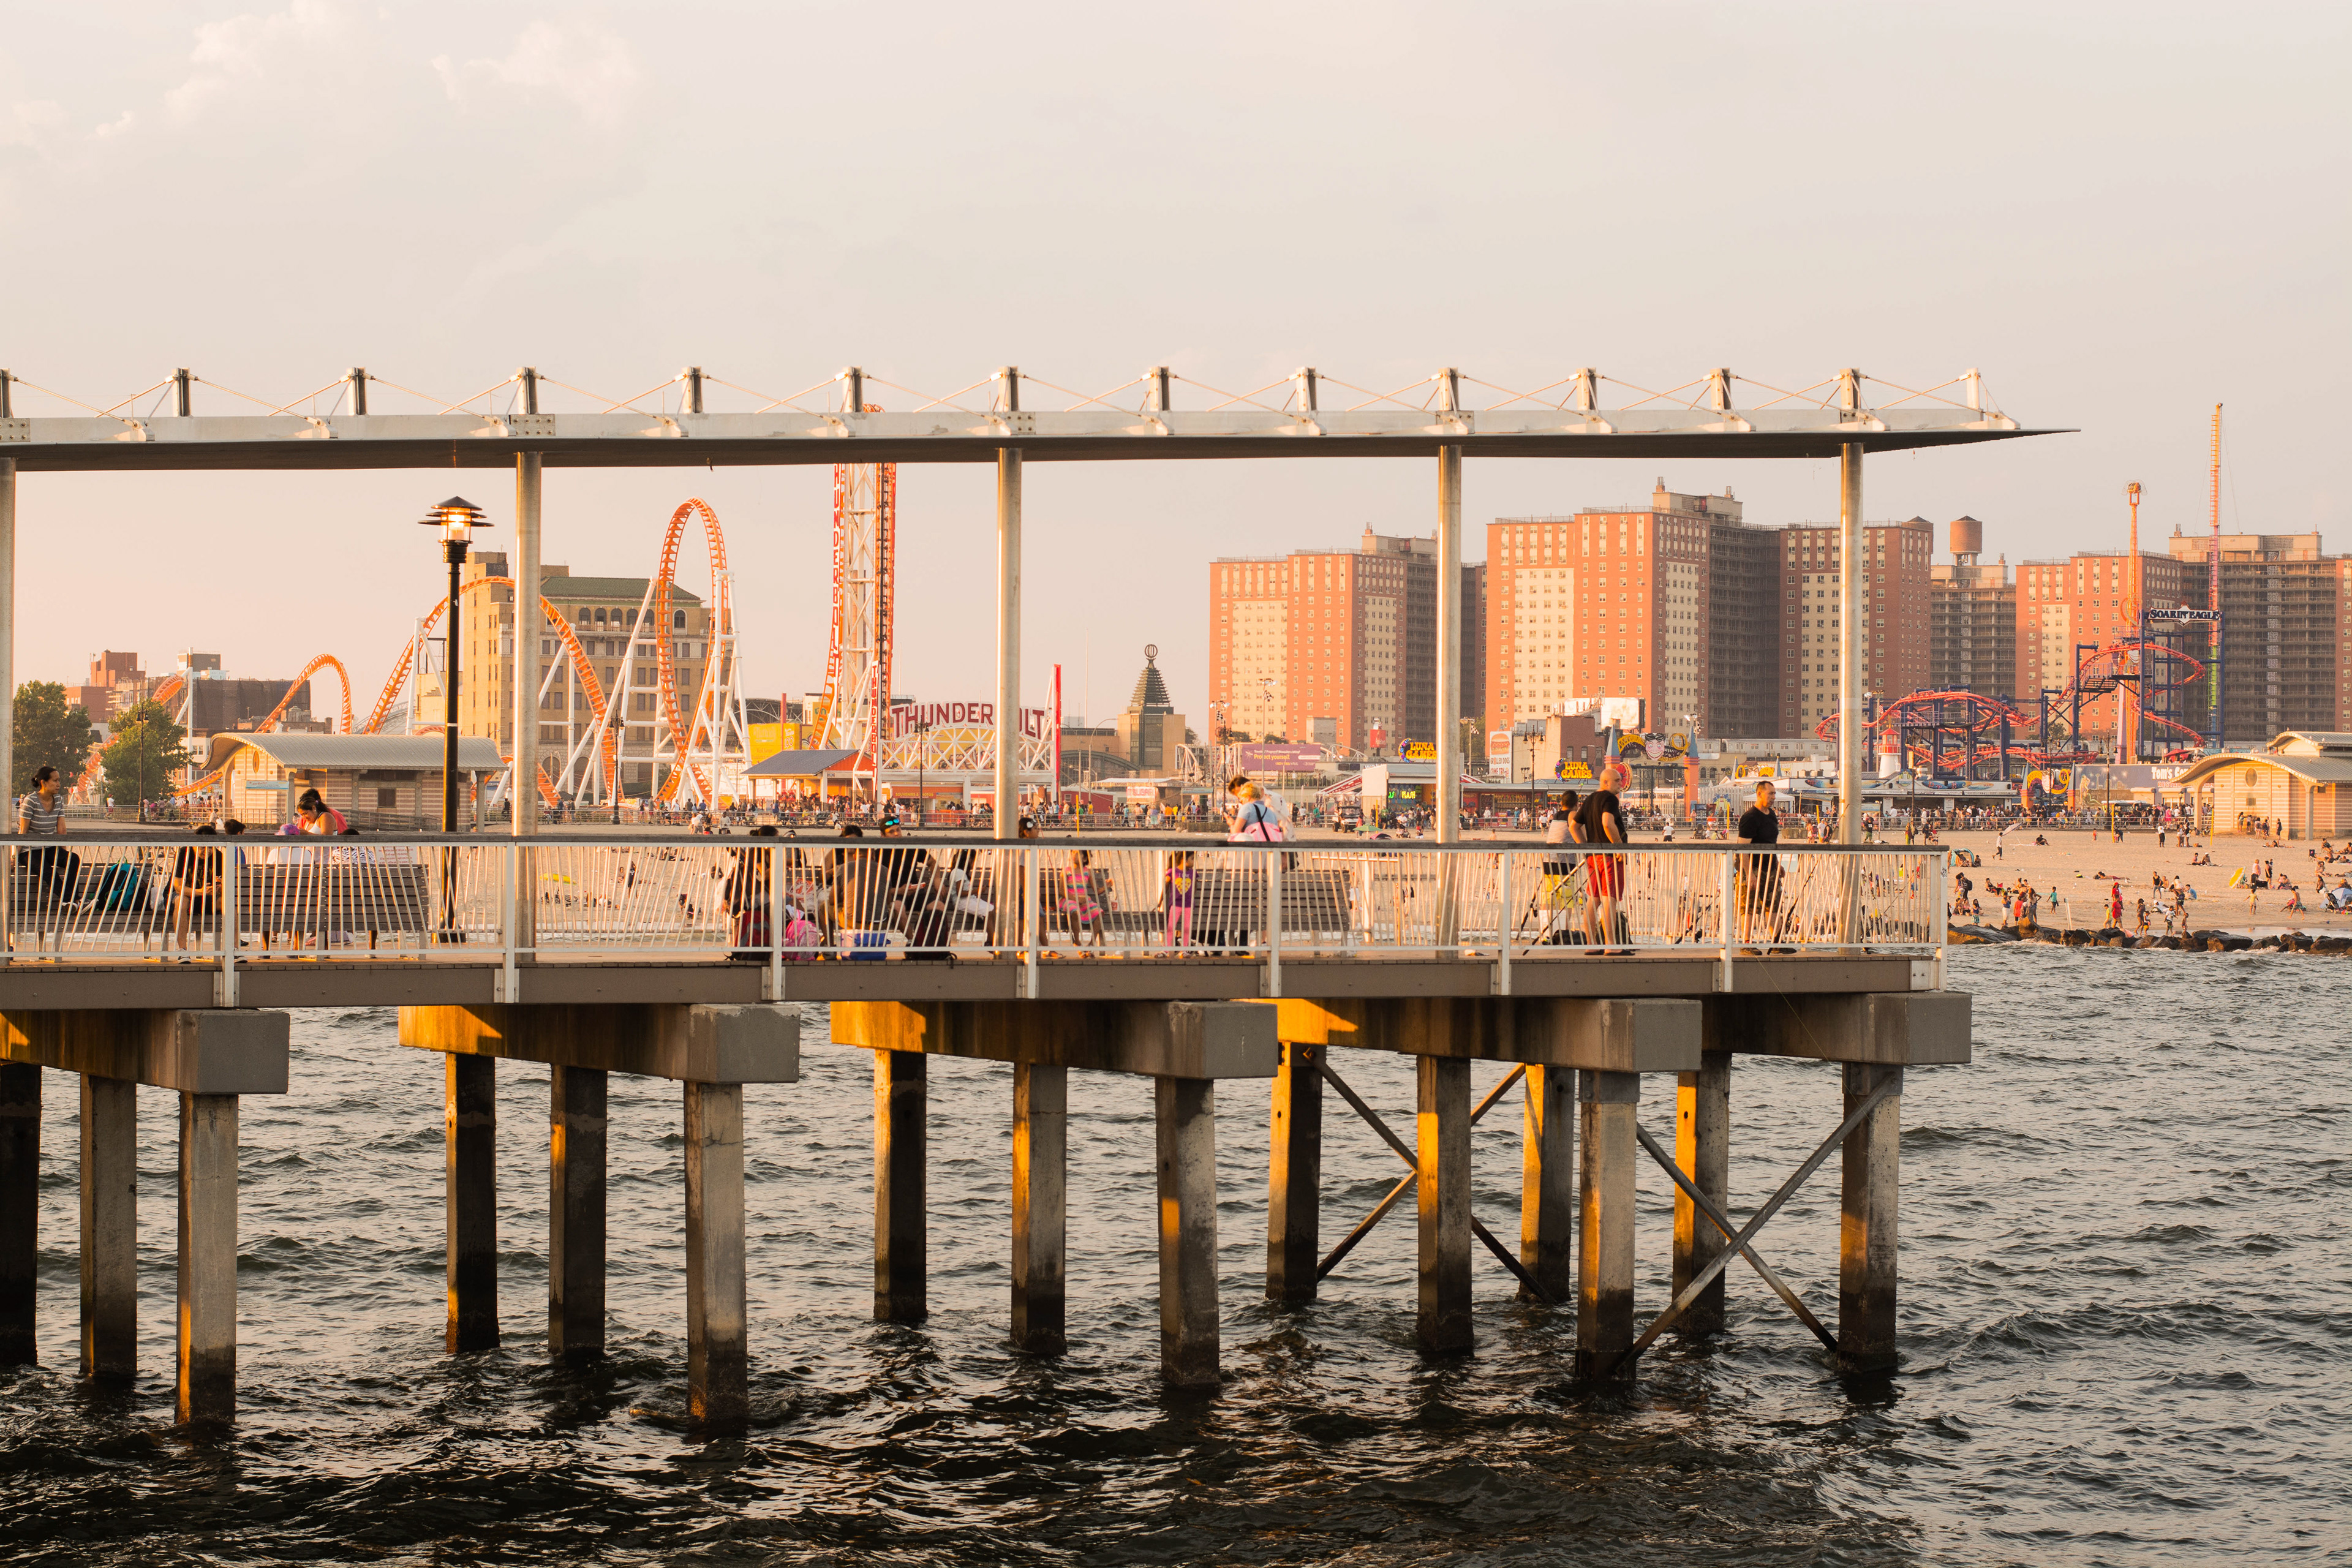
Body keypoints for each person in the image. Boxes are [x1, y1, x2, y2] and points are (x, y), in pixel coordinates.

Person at [16, 764, 77, 950]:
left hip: (49, 847)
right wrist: (14, 857)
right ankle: (72, 900)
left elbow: (62, 830)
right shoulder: (30, 801)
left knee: (73, 859)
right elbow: (23, 831)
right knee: (46, 870)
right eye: (56, 780)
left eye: (59, 780)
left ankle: (69, 901)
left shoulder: (58, 800)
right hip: (30, 850)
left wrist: (63, 855)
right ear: (44, 783)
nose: (59, 784)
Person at [1575, 763, 1630, 951]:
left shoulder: (1590, 799)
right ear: (1605, 782)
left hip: (1593, 857)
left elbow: (1574, 825)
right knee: (1609, 899)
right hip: (1608, 857)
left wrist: (1585, 847)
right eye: (1616, 781)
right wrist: (1619, 848)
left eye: (1621, 780)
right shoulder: (1610, 799)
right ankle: (1611, 945)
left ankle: (1591, 944)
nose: (1620, 784)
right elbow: (1607, 822)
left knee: (1594, 899)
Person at [1734, 779, 1783, 948]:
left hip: (1771, 867)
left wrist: (1778, 865)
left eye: (1774, 794)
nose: (1773, 797)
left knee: (1774, 906)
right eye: (1770, 794)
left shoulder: (1772, 815)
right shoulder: (1750, 817)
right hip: (1753, 868)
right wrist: (1749, 874)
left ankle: (1777, 943)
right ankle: (1747, 944)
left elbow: (1771, 842)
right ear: (1759, 794)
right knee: (1748, 907)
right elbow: (1743, 848)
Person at [168, 822, 224, 959]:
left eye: (210, 848)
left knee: (227, 902)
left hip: (206, 899)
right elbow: (178, 887)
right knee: (182, 900)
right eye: (203, 848)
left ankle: (234, 949)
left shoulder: (218, 856)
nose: (207, 852)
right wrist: (201, 891)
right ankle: (183, 950)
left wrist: (220, 889)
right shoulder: (184, 852)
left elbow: (223, 884)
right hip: (181, 896)